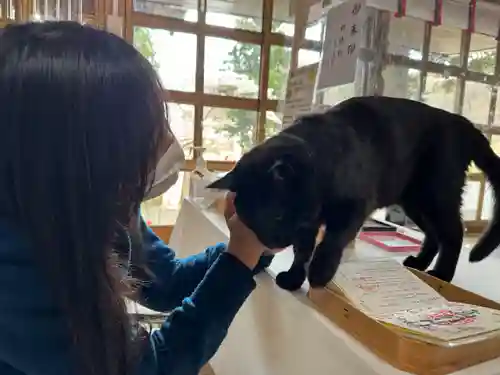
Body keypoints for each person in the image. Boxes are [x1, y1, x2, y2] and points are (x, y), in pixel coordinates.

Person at [0, 21, 279, 375]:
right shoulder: (14, 274)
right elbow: (143, 370)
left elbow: (165, 282)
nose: (160, 146)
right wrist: (240, 257)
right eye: (139, 135)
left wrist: (249, 247)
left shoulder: (94, 204)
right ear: (75, 153)